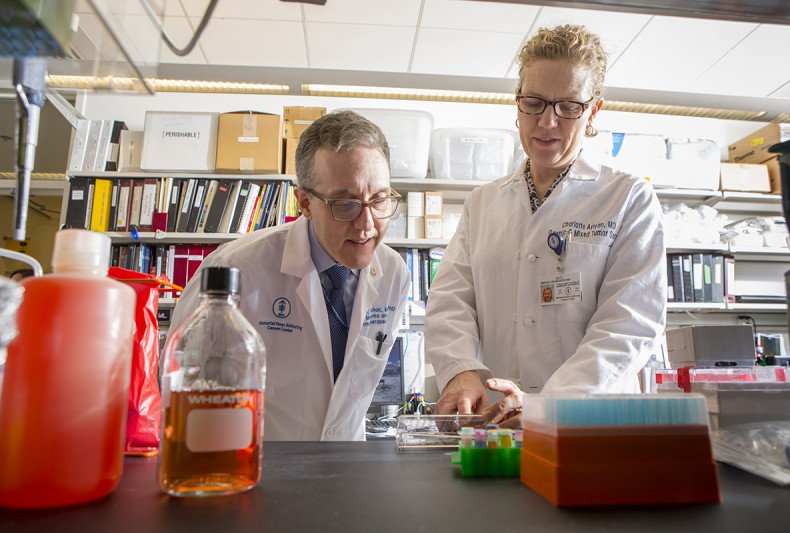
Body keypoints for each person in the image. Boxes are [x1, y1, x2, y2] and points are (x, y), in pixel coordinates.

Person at [425, 24, 666, 425]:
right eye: (534, 102)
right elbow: (451, 301)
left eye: (569, 106)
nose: (548, 122)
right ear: (518, 103)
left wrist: (548, 406)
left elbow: (629, 324)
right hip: (499, 423)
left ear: (593, 111)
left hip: (589, 425)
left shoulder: (628, 198)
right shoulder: (483, 203)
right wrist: (461, 368)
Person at [169, 110, 410, 440]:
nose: (366, 224)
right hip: (258, 469)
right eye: (345, 204)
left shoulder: (394, 273)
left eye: (379, 199)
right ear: (305, 202)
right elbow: (182, 384)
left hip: (347, 468)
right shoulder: (233, 268)